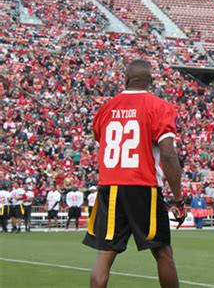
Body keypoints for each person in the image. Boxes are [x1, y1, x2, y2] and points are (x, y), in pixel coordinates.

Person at [82, 60, 185, 288]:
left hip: (110, 187)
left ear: (125, 79)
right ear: (151, 81)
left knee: (104, 255)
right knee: (163, 252)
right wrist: (178, 198)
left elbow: (103, 140)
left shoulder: (106, 108)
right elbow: (168, 154)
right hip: (143, 186)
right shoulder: (159, 106)